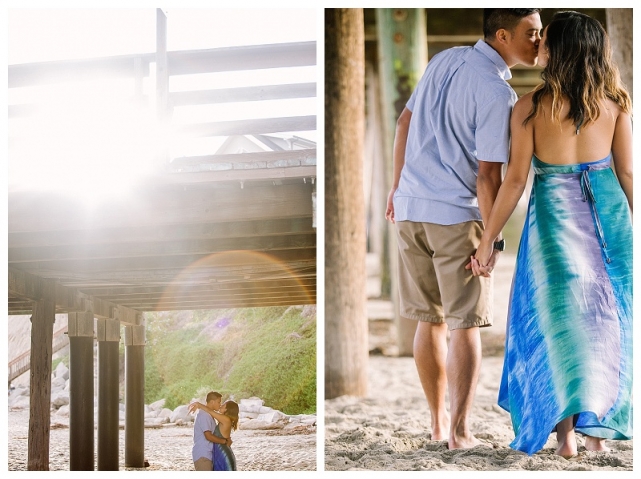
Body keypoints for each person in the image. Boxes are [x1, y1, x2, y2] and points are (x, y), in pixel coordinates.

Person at [470, 11, 632, 457]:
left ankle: (564, 438)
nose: (538, 44)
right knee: (605, 323)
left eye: (545, 40)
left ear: (558, 50)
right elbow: (628, 175)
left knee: (553, 322)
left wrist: (487, 240)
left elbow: (515, 181)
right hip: (609, 223)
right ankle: (596, 436)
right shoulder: (616, 103)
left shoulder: (529, 107)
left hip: (554, 225)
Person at [385, 9, 542, 450]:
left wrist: (396, 189)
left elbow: (403, 123)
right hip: (455, 215)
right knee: (464, 325)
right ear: (502, 35)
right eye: (531, 34)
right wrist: (490, 240)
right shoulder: (497, 92)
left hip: (411, 209)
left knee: (427, 320)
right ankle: (459, 433)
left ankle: (437, 426)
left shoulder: (443, 59)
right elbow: (488, 175)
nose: (538, 41)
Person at [190, 399, 239, 471]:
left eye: (223, 405)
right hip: (220, 451)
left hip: (222, 452)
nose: (220, 405)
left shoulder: (225, 419)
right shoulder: (225, 419)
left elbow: (210, 411)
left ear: (226, 409)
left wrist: (199, 405)